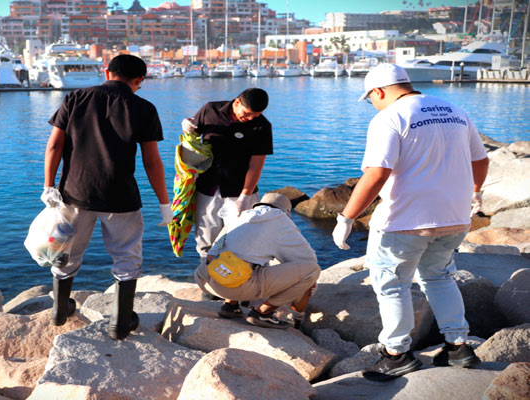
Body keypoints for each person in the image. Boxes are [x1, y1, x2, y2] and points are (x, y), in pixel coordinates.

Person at [332, 64, 489, 381]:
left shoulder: (389, 117)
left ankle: (396, 354)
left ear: (378, 91)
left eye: (370, 99)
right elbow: (481, 159)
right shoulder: (454, 110)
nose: (372, 104)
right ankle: (458, 347)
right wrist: (475, 192)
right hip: (455, 218)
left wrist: (346, 217)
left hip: (404, 221)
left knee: (392, 286)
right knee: (439, 277)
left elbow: (376, 173)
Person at [42, 54, 171, 340]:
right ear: (139, 81)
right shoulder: (143, 107)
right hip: (120, 196)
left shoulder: (75, 97)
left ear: (106, 72)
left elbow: (54, 146)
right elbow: (152, 161)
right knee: (126, 258)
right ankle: (120, 323)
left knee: (65, 253)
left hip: (74, 193)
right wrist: (165, 203)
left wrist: (48, 186)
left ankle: (60, 310)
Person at [194, 192, 320, 329]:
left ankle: (230, 305)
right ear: (286, 212)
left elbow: (214, 252)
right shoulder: (281, 220)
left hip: (204, 278)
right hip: (235, 287)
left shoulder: (241, 216)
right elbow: (309, 261)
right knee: (312, 270)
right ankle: (263, 313)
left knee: (240, 255)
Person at [181, 88, 273, 263]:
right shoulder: (210, 110)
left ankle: (244, 286)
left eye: (256, 114)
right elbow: (193, 134)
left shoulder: (262, 125)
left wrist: (245, 196)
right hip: (207, 188)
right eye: (247, 114)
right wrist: (187, 126)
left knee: (244, 241)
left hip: (240, 190)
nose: (251, 118)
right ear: (237, 102)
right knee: (206, 239)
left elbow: (256, 165)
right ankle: (209, 282)